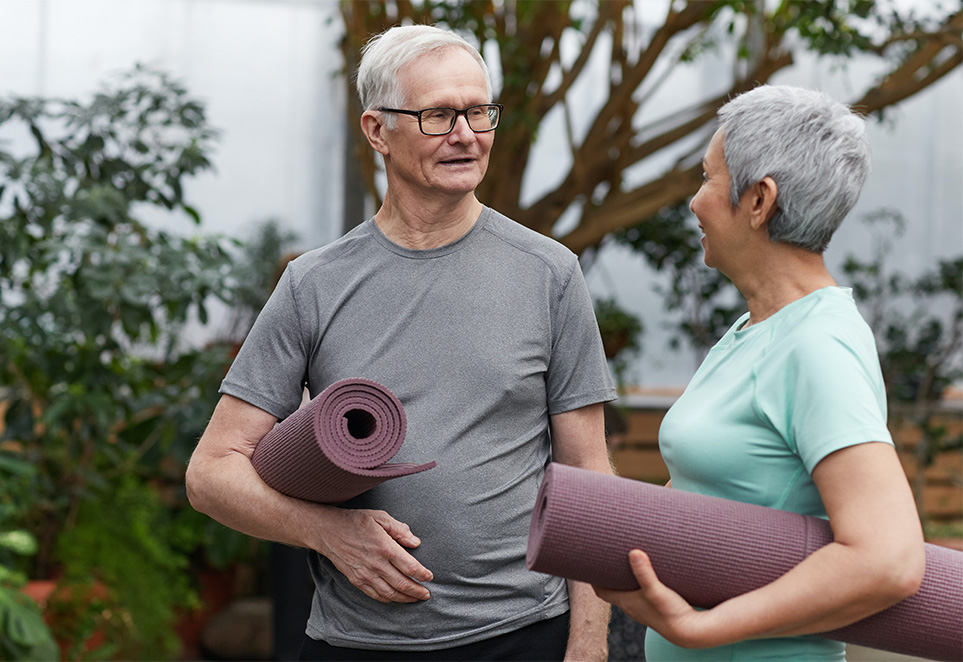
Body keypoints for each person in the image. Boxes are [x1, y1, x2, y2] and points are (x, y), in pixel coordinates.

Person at [185, 24, 616, 661]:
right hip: (355, 642)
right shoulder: (314, 283)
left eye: (478, 111)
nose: (467, 134)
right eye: (440, 114)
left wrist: (588, 644)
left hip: (521, 637)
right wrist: (329, 532)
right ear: (377, 130)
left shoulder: (548, 273)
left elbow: (589, 476)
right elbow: (210, 473)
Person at [594, 85, 926, 661]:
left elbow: (888, 559)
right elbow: (718, 489)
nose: (695, 201)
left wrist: (706, 628)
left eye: (707, 178)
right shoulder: (755, 328)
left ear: (758, 201)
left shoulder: (818, 345)